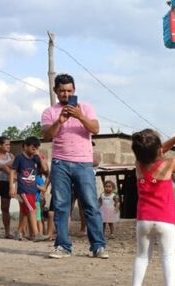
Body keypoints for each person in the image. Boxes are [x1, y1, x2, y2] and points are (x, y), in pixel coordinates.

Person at [41, 73, 108, 259]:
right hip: (60, 162)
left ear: (74, 90)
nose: (65, 94)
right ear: (55, 91)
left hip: (84, 163)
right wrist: (59, 121)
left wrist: (79, 116)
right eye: (62, 91)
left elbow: (95, 129)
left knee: (90, 205)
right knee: (61, 206)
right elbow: (47, 135)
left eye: (69, 90)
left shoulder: (86, 108)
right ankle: (63, 246)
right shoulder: (50, 112)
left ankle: (98, 246)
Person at [127, 129, 175, 286]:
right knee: (168, 256)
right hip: (165, 219)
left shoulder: (138, 164)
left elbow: (156, 150)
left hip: (144, 219)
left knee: (141, 256)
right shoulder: (168, 165)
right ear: (159, 150)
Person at [10, 136, 49, 242]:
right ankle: (36, 234)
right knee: (32, 210)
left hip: (32, 189)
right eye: (33, 147)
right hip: (24, 189)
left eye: (37, 147)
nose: (34, 149)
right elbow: (12, 171)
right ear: (25, 146)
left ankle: (18, 232)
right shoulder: (19, 157)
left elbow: (45, 169)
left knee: (25, 212)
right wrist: (11, 187)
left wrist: (39, 156)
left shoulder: (36, 158)